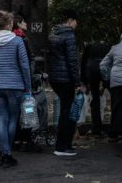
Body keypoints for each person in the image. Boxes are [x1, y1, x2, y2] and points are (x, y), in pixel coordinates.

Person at [0, 10, 32, 167]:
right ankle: (7, 152)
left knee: (2, 119)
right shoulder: (17, 41)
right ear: (9, 24)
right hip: (15, 85)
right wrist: (28, 87)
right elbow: (25, 66)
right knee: (13, 118)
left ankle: (3, 152)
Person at [47, 8, 84, 157]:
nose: (76, 25)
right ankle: (63, 146)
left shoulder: (53, 34)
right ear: (70, 21)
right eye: (76, 22)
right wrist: (77, 82)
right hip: (65, 78)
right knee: (66, 112)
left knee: (64, 110)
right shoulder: (69, 36)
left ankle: (61, 144)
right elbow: (72, 61)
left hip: (55, 78)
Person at [12, 13, 43, 153]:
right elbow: (26, 61)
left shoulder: (12, 37)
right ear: (18, 23)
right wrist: (29, 79)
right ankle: (26, 139)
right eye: (24, 21)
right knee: (28, 108)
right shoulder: (21, 39)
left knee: (17, 111)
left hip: (13, 80)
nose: (26, 24)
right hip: (23, 80)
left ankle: (16, 140)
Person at [81, 40, 110, 137]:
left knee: (95, 98)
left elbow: (83, 63)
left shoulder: (89, 47)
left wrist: (84, 82)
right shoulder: (108, 47)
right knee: (115, 97)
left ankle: (96, 128)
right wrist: (105, 85)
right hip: (105, 69)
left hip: (92, 69)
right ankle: (116, 128)